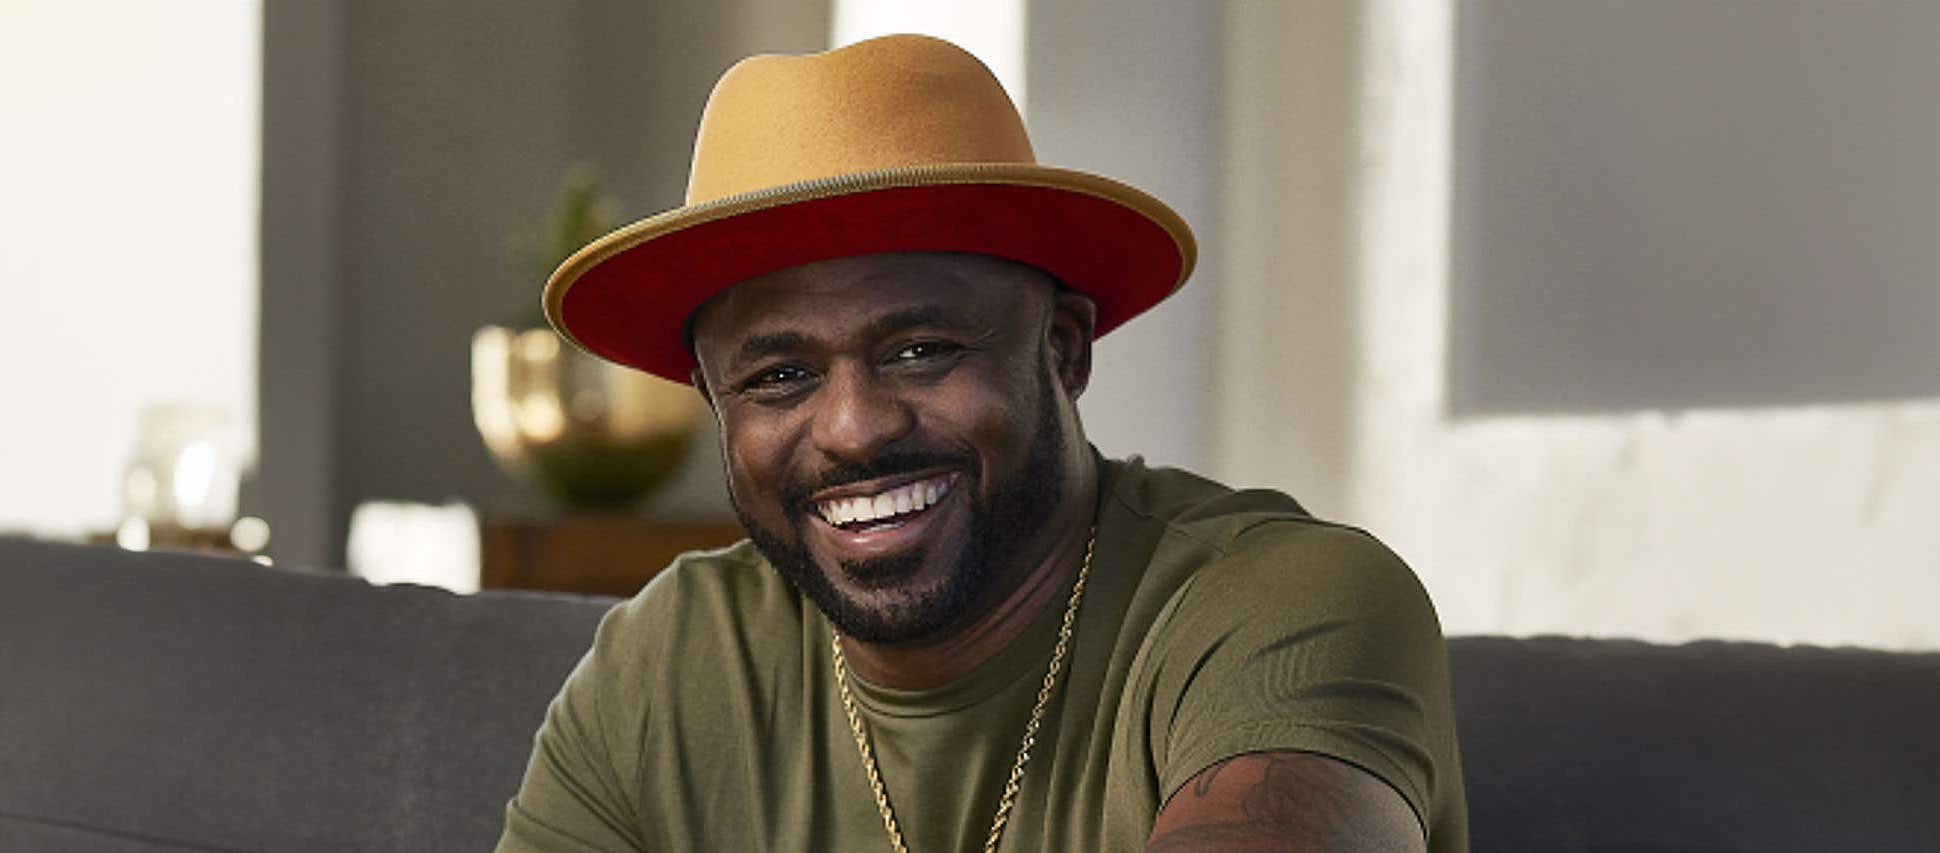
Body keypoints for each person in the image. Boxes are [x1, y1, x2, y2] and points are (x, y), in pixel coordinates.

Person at [498, 34, 1466, 852]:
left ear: (1061, 348)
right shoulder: (668, 663)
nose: (852, 428)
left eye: (921, 350)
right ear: (717, 404)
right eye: (777, 376)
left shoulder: (1282, 602)